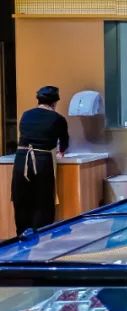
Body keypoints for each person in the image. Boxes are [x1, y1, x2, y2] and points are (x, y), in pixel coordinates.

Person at [12, 86, 69, 234]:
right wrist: (61, 152)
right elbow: (64, 142)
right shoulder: (58, 119)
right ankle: (41, 237)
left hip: (21, 160)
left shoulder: (26, 115)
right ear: (55, 103)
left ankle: (22, 237)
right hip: (41, 161)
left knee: (21, 200)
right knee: (42, 202)